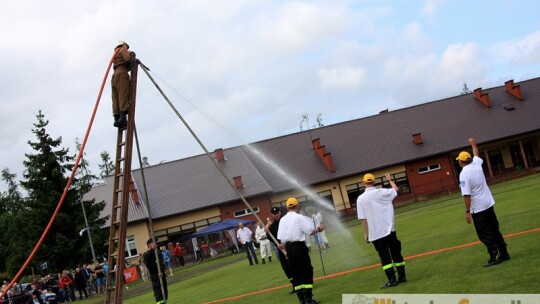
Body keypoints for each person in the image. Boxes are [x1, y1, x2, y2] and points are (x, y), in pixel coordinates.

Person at [457, 138, 510, 267]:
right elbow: (476, 154)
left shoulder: (464, 174)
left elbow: (467, 195)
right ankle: (504, 253)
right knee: (495, 229)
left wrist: (467, 211)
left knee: (485, 234)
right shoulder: (476, 164)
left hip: (478, 208)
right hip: (488, 204)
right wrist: (473, 144)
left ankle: (494, 256)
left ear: (461, 161)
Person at [357, 173, 406, 289]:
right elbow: (396, 189)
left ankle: (392, 280)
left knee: (385, 257)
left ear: (363, 182)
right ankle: (402, 276)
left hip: (376, 234)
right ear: (374, 181)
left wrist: (366, 234)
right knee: (396, 253)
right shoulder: (383, 192)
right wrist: (389, 180)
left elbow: (363, 219)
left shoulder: (361, 199)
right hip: (390, 230)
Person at [277, 197, 324, 304]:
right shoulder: (299, 217)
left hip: (289, 248)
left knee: (295, 273)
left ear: (286, 207)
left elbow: (282, 239)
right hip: (299, 247)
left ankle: (301, 300)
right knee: (306, 270)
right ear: (297, 206)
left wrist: (286, 252)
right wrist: (319, 229)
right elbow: (308, 231)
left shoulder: (283, 220)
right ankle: (308, 299)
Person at [267, 206, 295, 294]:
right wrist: (267, 233)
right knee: (286, 268)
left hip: (290, 247)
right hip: (280, 250)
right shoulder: (272, 226)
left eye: (277, 213)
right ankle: (294, 285)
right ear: (272, 215)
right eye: (274, 214)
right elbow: (272, 239)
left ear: (280, 212)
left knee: (295, 265)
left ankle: (301, 282)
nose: (276, 215)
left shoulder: (286, 221)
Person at [111, 40, 132, 128]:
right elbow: (127, 59)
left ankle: (116, 119)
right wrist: (131, 55)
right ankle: (123, 117)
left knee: (115, 98)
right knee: (123, 94)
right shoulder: (122, 49)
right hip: (121, 73)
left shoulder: (115, 53)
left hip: (114, 75)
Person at [143, 239, 168, 304]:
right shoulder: (146, 254)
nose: (155, 245)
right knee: (158, 294)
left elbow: (162, 264)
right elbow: (147, 257)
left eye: (155, 243)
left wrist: (161, 271)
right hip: (155, 277)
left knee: (164, 293)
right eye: (153, 243)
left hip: (161, 275)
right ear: (149, 245)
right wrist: (152, 250)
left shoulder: (158, 253)